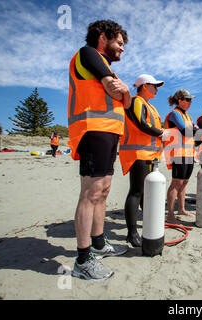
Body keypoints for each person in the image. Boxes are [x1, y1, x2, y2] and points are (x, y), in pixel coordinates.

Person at [68, 20, 131, 281]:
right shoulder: (89, 53)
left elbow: (125, 100)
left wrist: (125, 93)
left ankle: (98, 243)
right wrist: (123, 92)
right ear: (102, 37)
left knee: (103, 191)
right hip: (92, 129)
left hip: (107, 131)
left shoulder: (103, 64)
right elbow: (114, 90)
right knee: (91, 192)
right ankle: (83, 259)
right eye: (119, 42)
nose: (122, 49)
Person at [119, 74, 164, 247]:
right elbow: (141, 124)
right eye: (154, 86)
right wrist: (161, 133)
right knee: (136, 192)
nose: (157, 89)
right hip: (138, 154)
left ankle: (149, 225)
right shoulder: (137, 101)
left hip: (150, 155)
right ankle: (131, 233)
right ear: (144, 86)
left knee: (146, 194)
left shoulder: (149, 105)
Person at [164, 89, 197, 223]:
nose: (190, 102)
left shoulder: (188, 116)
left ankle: (181, 209)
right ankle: (170, 214)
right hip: (177, 153)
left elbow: (194, 132)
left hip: (189, 153)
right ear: (180, 100)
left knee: (185, 182)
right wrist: (195, 130)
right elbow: (186, 132)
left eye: (191, 100)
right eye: (188, 99)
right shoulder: (175, 114)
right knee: (176, 182)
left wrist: (195, 130)